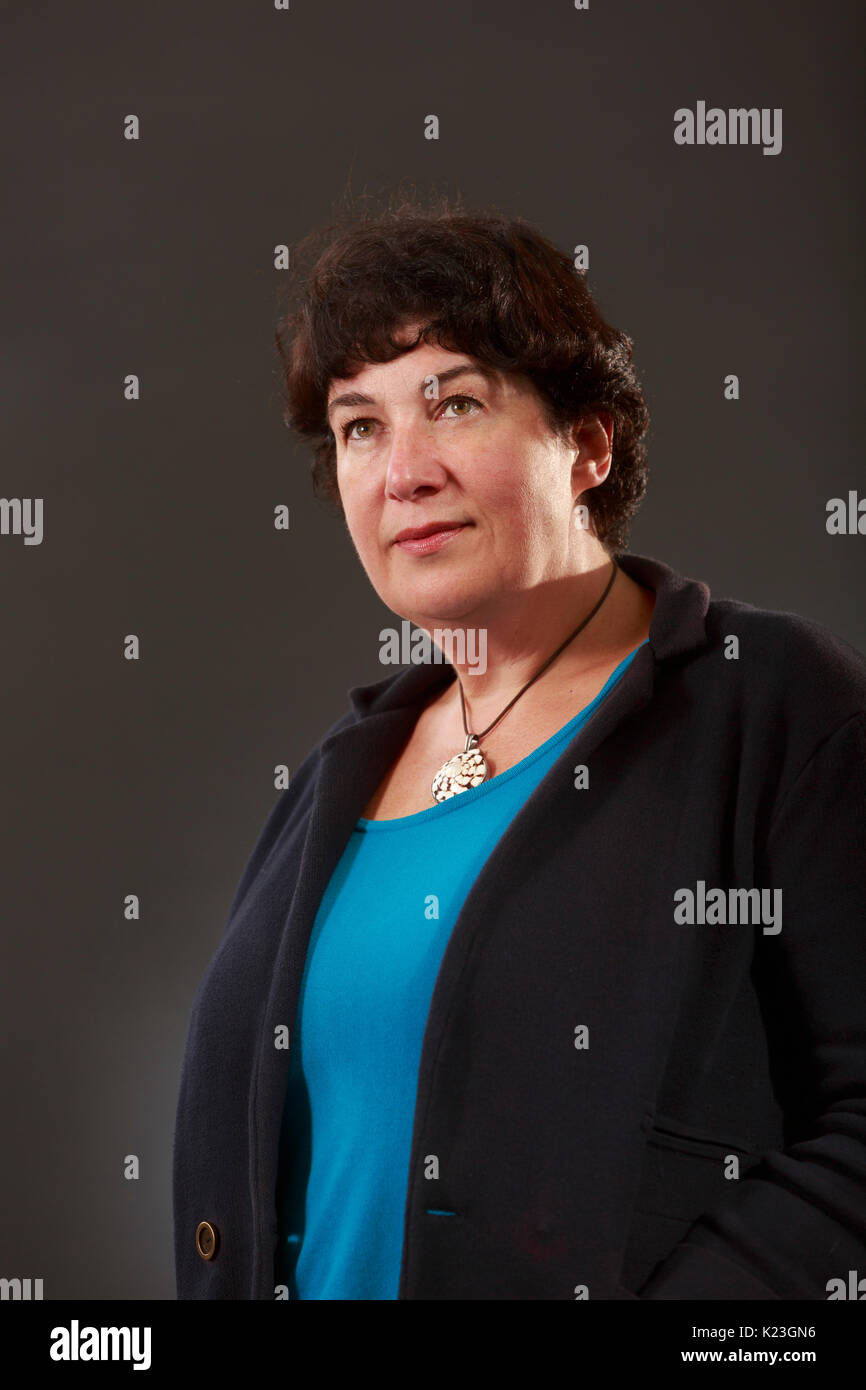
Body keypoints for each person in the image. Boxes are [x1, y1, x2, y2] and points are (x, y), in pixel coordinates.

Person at [173, 196, 866, 1300]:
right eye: (359, 426)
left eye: (452, 403)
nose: (402, 472)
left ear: (587, 443)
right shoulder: (335, 777)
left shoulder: (772, 705)